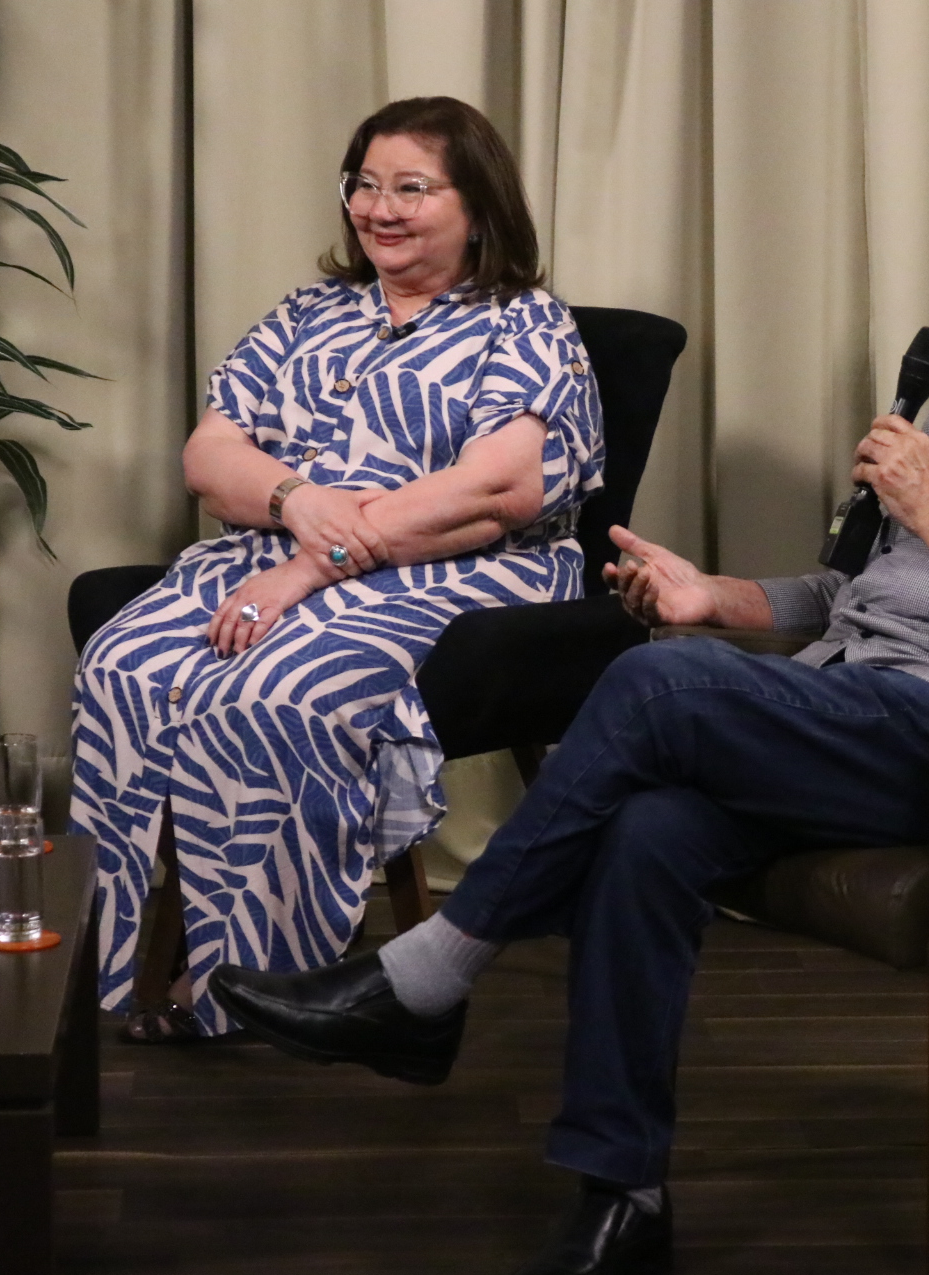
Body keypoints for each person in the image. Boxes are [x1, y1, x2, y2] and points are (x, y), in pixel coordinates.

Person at [210, 147, 929, 1275]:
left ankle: (429, 977)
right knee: (651, 828)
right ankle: (624, 1196)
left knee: (656, 683)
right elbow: (857, 597)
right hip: (857, 704)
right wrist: (719, 598)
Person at [69, 97, 602, 1043]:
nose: (379, 209)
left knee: (279, 691)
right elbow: (210, 456)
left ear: (478, 205)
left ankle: (256, 981)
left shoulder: (524, 323)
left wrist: (314, 564)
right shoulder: (307, 313)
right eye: (365, 184)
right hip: (272, 550)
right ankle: (105, 964)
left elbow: (497, 491)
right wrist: (293, 502)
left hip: (467, 574)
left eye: (412, 188)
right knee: (126, 665)